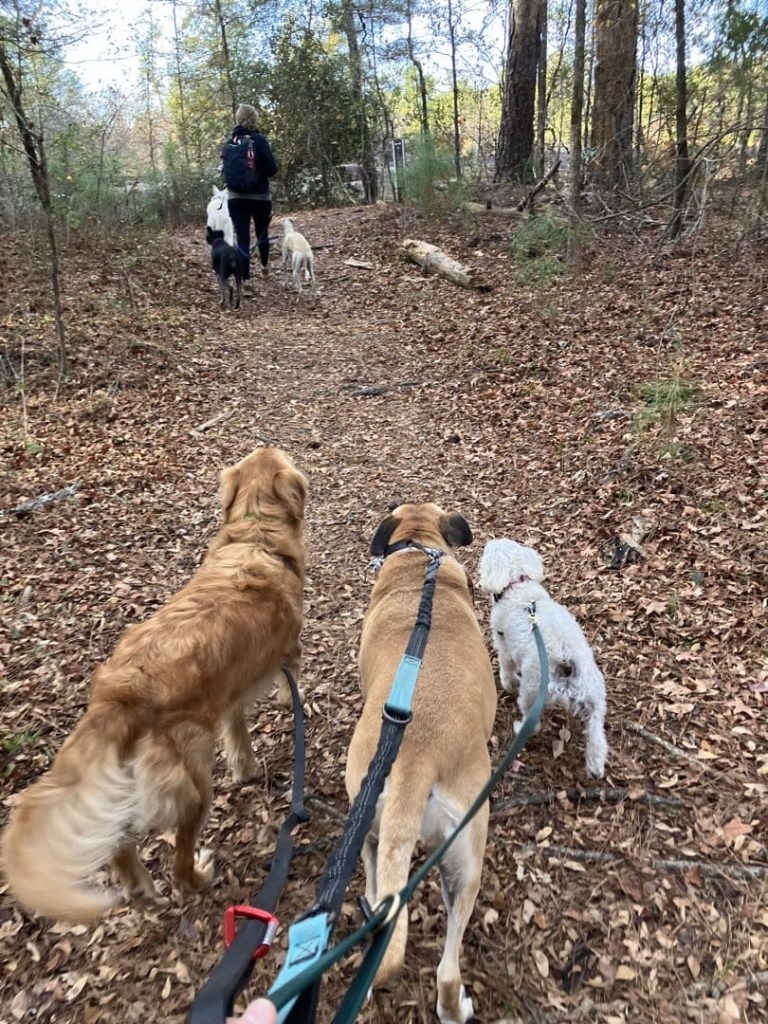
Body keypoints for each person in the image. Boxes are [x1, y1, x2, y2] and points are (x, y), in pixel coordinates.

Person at [221, 103, 278, 294]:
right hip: (260, 196)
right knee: (262, 232)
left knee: (242, 237)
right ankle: (265, 266)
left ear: (238, 119)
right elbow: (272, 169)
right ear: (254, 119)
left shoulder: (230, 142)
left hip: (235, 198)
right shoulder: (259, 140)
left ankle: (244, 280)